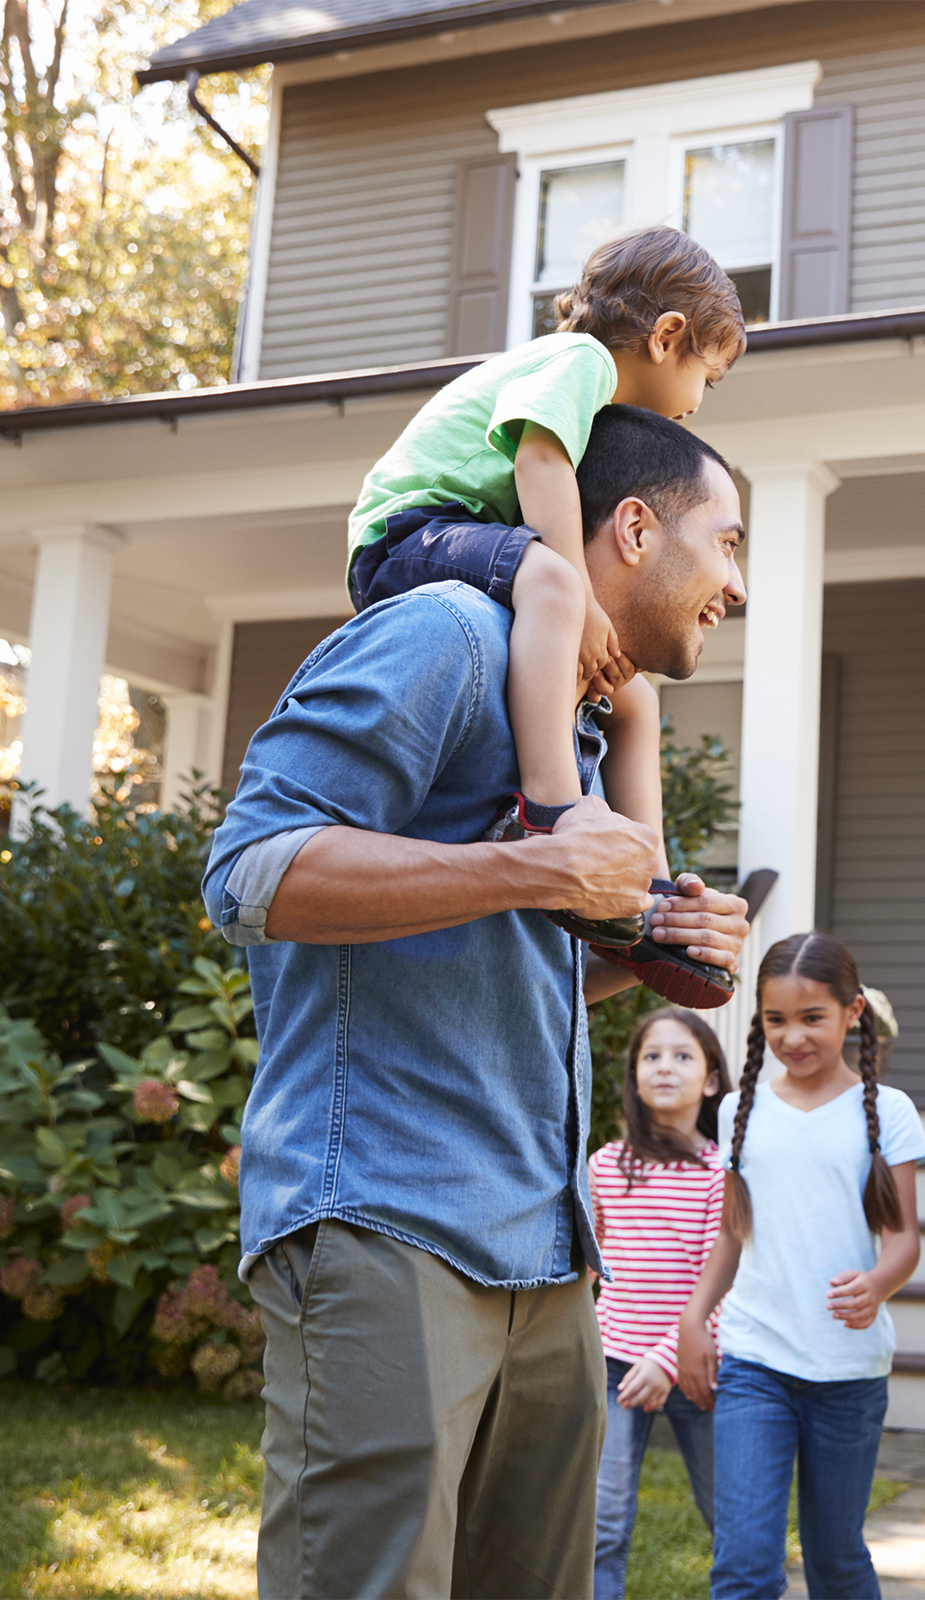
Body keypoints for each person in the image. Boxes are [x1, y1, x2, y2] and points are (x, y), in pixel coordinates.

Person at [201, 405, 750, 1599]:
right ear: (639, 527)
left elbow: (510, 953)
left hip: (550, 1255)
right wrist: (534, 867)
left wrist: (653, 948)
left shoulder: (579, 720)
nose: (738, 584)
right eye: (729, 542)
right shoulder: (444, 633)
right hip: (390, 1223)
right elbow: (247, 872)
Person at [346, 225, 746, 1006]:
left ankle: (650, 896)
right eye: (709, 375)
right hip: (409, 528)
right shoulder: (579, 362)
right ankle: (555, 810)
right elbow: (538, 463)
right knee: (554, 586)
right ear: (668, 338)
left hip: (458, 535)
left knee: (635, 696)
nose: (699, 403)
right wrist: (581, 596)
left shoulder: (589, 394)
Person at [676, 933, 925, 1600]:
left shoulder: (889, 1113)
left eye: (812, 1017)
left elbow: (904, 1242)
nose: (794, 1036)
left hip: (847, 1373)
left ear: (852, 1013)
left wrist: (877, 1284)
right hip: (755, 1361)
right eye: (776, 1019)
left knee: (836, 1559)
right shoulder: (739, 1110)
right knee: (743, 1564)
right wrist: (694, 1319)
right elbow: (734, 1236)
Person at [590, 1007, 731, 1599]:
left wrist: (667, 1360)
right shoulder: (604, 1167)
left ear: (712, 1079)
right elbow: (589, 1272)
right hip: (613, 1367)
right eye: (651, 1056)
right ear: (634, 1074)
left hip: (698, 1367)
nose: (664, 1068)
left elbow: (722, 1285)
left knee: (732, 1517)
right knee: (600, 1523)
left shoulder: (722, 1172)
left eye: (682, 1056)